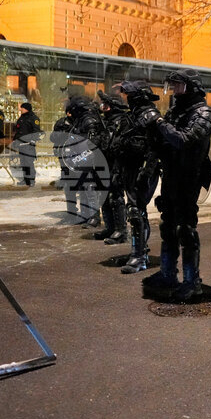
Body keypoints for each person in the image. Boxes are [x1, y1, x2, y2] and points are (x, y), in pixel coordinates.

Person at [138, 69, 211, 302]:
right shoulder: (176, 110)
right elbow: (164, 142)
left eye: (178, 86)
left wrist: (159, 121)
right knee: (167, 226)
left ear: (191, 87)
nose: (173, 90)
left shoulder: (203, 113)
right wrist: (150, 127)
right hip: (171, 176)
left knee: (186, 230)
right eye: (172, 85)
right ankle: (168, 273)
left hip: (189, 178)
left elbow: (183, 140)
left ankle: (193, 282)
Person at [113, 81, 161, 275]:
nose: (127, 99)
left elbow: (155, 148)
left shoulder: (151, 117)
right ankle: (139, 250)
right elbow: (118, 144)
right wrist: (116, 171)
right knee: (134, 209)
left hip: (143, 170)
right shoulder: (129, 117)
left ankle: (139, 256)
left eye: (130, 95)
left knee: (135, 210)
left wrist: (147, 171)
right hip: (128, 168)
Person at [92, 90, 131, 244]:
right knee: (103, 197)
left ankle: (121, 230)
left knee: (116, 197)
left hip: (115, 164)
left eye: (106, 104)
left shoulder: (122, 121)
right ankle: (110, 227)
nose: (103, 107)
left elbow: (118, 144)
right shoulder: (104, 121)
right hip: (103, 162)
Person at [64, 95, 107, 226]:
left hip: (88, 159)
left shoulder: (88, 120)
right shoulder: (81, 120)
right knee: (84, 189)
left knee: (90, 188)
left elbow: (93, 143)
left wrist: (83, 158)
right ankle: (86, 214)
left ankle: (94, 216)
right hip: (80, 158)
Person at [12, 102, 42, 186]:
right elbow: (18, 131)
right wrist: (15, 140)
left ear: (26, 109)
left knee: (29, 162)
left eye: (22, 108)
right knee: (23, 162)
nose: (20, 109)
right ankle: (25, 179)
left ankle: (31, 180)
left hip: (29, 144)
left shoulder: (33, 118)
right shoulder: (21, 118)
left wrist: (33, 140)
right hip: (21, 144)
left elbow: (36, 131)